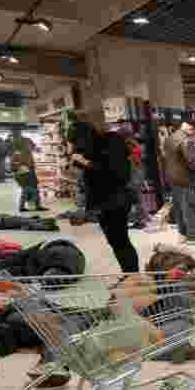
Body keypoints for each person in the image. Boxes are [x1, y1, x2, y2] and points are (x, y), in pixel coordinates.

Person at [69, 117, 139, 273]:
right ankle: (129, 275)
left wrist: (86, 163)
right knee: (115, 241)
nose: (76, 146)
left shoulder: (112, 142)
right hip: (103, 202)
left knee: (121, 241)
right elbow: (81, 174)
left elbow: (117, 174)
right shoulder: (90, 147)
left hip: (116, 200)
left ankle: (133, 276)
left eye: (76, 141)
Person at [162, 123, 195, 245]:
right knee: (190, 206)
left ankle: (182, 234)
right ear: (191, 129)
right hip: (185, 178)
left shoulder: (170, 138)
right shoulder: (186, 141)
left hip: (173, 177)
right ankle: (193, 235)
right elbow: (192, 162)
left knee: (179, 207)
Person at [13, 134, 45, 212]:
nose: (31, 146)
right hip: (25, 174)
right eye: (30, 144)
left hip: (29, 172)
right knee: (27, 191)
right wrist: (25, 171)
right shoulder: (18, 153)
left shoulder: (26, 152)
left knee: (33, 190)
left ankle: (37, 205)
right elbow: (15, 166)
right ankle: (24, 207)